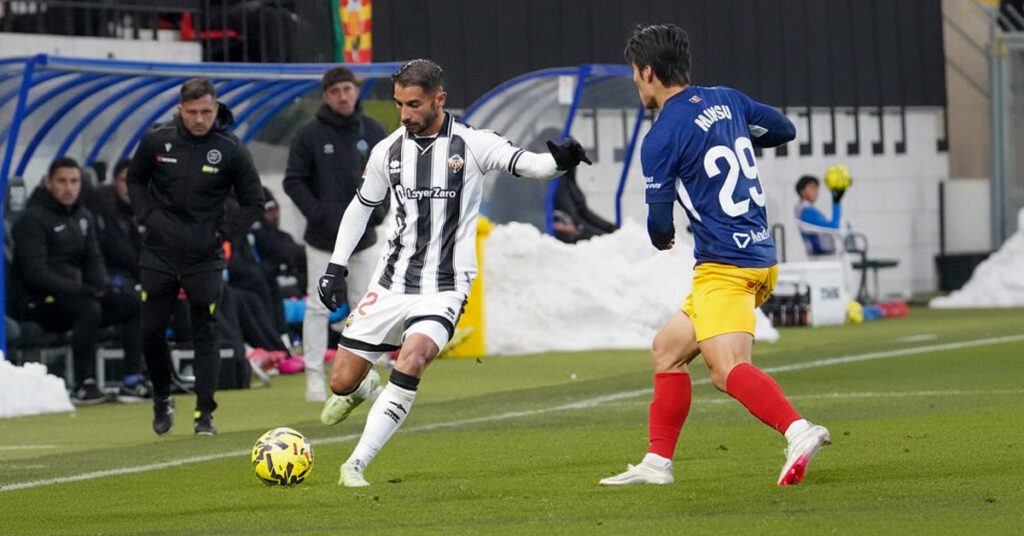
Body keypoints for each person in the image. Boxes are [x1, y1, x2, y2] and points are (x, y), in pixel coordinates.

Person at [316, 59, 591, 487]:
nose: (404, 114)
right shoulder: (388, 150)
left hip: (445, 286)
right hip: (391, 282)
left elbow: (529, 165)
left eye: (413, 104)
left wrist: (560, 161)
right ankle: (365, 389)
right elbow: (361, 207)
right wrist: (336, 267)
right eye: (399, 104)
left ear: (439, 99)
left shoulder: (473, 144)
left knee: (414, 357)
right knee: (340, 382)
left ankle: (355, 464)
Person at [599, 24, 829, 488]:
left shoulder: (661, 136)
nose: (635, 80)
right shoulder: (727, 99)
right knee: (668, 349)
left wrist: (663, 238)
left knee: (726, 370)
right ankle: (657, 461)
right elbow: (783, 129)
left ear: (648, 72)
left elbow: (659, 226)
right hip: (758, 256)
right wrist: (730, 133)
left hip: (725, 266)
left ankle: (798, 430)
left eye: (635, 72)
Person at [128, 77, 265, 436]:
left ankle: (205, 413)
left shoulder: (230, 148)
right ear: (180, 110)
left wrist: (223, 233)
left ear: (216, 108)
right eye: (192, 112)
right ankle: (162, 397)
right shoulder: (157, 139)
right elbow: (135, 180)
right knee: (151, 331)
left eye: (206, 111)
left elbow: (254, 201)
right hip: (159, 250)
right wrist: (146, 217)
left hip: (204, 255)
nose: (200, 119)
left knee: (205, 329)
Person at [283, 66, 388, 403]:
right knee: (318, 306)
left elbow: (392, 175)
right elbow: (293, 180)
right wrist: (319, 214)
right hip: (323, 240)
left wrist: (379, 213)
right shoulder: (308, 134)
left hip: (364, 239)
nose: (343, 96)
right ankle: (314, 377)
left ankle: (365, 377)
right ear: (326, 96)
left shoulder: (373, 130)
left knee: (365, 307)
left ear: (356, 91)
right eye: (336, 91)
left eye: (348, 89)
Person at [10, 157, 144, 404]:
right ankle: (85, 384)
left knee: (131, 304)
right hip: (38, 302)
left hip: (76, 296)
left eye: (74, 181)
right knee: (89, 309)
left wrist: (103, 288)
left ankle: (132, 381)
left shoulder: (83, 217)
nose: (68, 188)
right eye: (62, 181)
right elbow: (35, 273)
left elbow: (93, 259)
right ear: (49, 183)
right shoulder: (32, 220)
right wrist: (81, 289)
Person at [552, 166, 618, 243]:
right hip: (567, 232)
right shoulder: (557, 184)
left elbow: (584, 211)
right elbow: (574, 219)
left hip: (576, 226)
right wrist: (601, 235)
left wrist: (611, 227)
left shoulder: (568, 181)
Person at [794, 174, 844, 256]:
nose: (816, 191)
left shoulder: (804, 209)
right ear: (802, 191)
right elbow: (834, 226)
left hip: (822, 254)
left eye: (817, 188)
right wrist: (836, 202)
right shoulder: (807, 211)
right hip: (821, 254)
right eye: (812, 188)